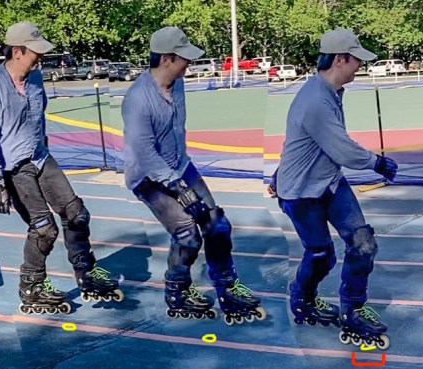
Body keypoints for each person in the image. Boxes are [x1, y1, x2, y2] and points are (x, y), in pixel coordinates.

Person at [0, 22, 122, 315]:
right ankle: (32, 286)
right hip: (14, 168)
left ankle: (86, 271)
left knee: (77, 214)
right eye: (35, 52)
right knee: (44, 229)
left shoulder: (35, 78)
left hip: (41, 157)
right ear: (17, 52)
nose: (40, 56)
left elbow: (38, 117)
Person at [121, 27, 265, 325]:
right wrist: (180, 189)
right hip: (147, 176)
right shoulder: (137, 99)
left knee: (217, 224)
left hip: (180, 165)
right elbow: (146, 155)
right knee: (187, 234)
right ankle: (177, 292)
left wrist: (183, 181)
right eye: (184, 58)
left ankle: (227, 287)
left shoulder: (178, 84)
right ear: (166, 59)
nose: (189, 63)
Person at [273, 28, 395, 350]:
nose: (360, 66)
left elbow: (302, 142)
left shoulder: (330, 92)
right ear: (340, 59)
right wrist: (377, 163)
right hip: (301, 192)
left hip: (329, 181)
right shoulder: (315, 99)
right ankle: (302, 298)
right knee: (321, 254)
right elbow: (342, 149)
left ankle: (353, 309)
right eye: (357, 60)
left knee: (363, 243)